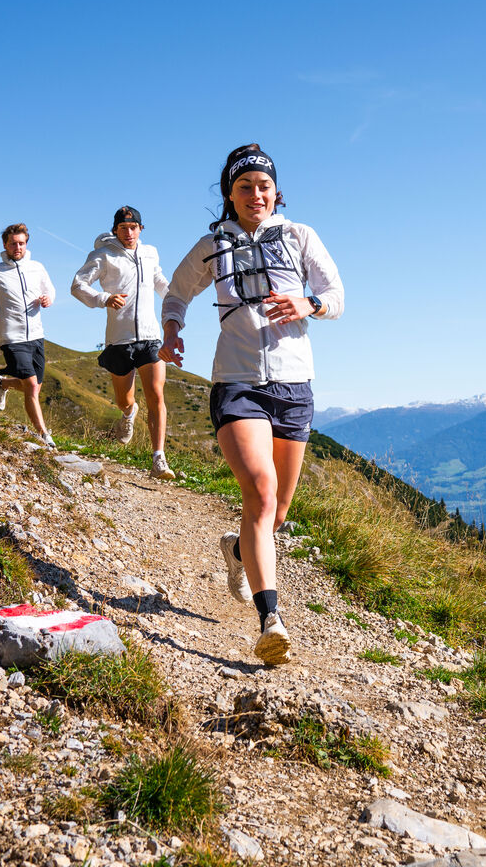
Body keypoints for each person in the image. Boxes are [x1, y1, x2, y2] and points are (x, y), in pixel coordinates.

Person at [162, 145, 343, 665]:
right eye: (245, 187)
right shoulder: (211, 245)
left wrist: (309, 303)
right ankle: (271, 620)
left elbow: (337, 295)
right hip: (237, 382)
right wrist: (173, 327)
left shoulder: (300, 236)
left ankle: (238, 550)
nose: (255, 194)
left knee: (277, 511)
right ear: (229, 194)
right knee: (260, 493)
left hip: (294, 384)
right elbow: (176, 293)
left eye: (263, 186)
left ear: (275, 191)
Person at [70, 206, 175, 480]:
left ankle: (158, 459)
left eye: (133, 227)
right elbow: (78, 285)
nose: (129, 233)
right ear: (115, 230)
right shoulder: (103, 255)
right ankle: (128, 413)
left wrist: (177, 296)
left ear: (141, 228)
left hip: (151, 337)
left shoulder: (150, 253)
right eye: (123, 228)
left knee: (156, 395)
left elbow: (159, 281)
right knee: (123, 399)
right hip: (120, 339)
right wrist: (104, 298)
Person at [0, 223, 58, 447]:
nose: (17, 247)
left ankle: (3, 384)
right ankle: (44, 435)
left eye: (21, 243)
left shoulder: (37, 267)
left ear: (26, 243)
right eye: (12, 244)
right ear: (5, 245)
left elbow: (50, 290)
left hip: (37, 334)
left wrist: (48, 299)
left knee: (35, 386)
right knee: (30, 384)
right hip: (12, 336)